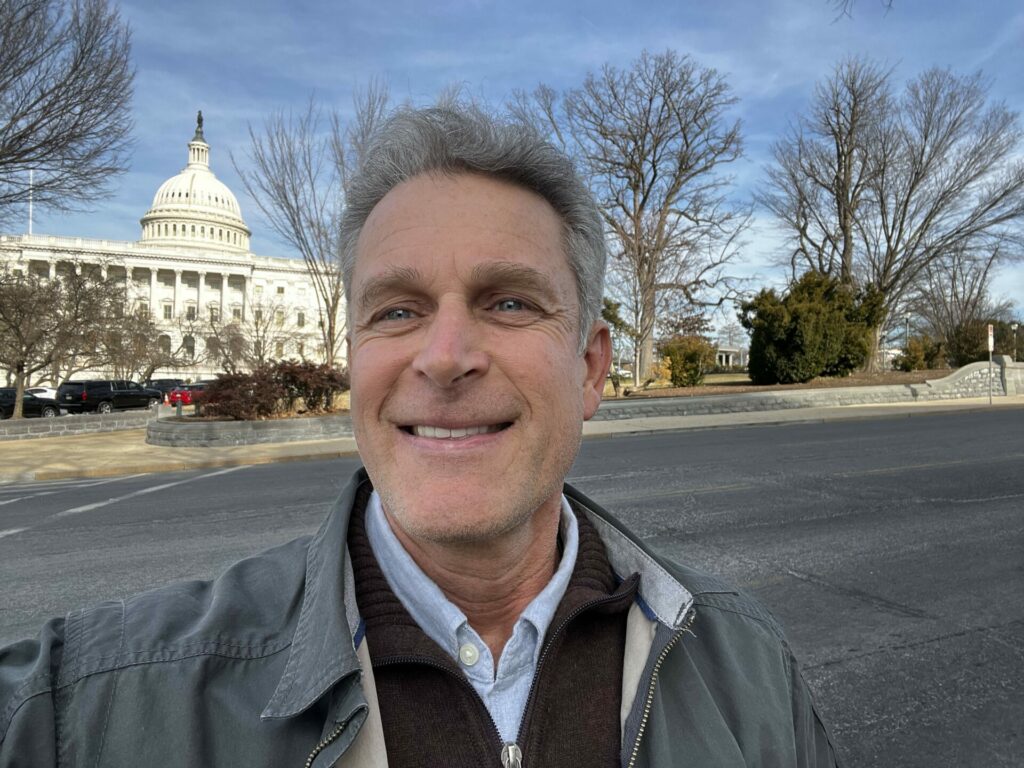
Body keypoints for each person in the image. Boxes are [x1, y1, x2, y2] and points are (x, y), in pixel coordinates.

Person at [0, 106, 838, 767]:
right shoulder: (91, 706)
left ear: (590, 370)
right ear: (355, 356)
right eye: (397, 310)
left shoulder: (750, 671)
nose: (444, 359)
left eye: (509, 301)